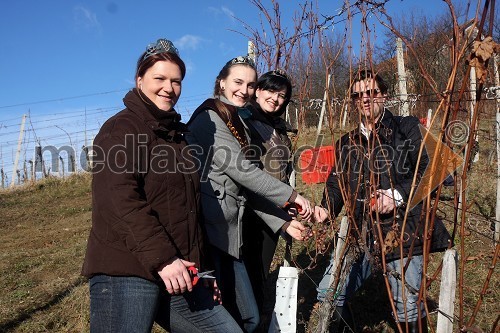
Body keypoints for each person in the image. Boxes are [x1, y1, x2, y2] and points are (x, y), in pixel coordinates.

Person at [81, 38, 242, 333]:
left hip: (177, 270)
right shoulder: (120, 129)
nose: (169, 88)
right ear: (139, 79)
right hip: (127, 270)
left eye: (177, 81)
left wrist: (201, 271)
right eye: (160, 78)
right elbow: (118, 201)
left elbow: (188, 211)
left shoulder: (177, 136)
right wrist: (164, 259)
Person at [313, 68, 452, 333]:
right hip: (361, 232)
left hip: (403, 230)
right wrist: (324, 211)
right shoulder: (346, 143)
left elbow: (437, 169)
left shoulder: (407, 127)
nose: (364, 99)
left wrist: (397, 195)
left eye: (371, 92)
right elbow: (336, 185)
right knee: (330, 291)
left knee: (407, 302)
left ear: (384, 95)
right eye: (358, 95)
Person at [186, 56, 312, 332]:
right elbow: (242, 170)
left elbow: (246, 182)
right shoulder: (210, 116)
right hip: (211, 231)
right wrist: (291, 196)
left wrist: (283, 219)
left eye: (250, 84)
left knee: (248, 317)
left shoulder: (236, 119)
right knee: (228, 316)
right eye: (238, 82)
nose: (244, 89)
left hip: (231, 228)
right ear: (221, 81)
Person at [240, 69, 297, 316]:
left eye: (282, 95)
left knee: (260, 271)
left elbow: (284, 171)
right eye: (270, 90)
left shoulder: (280, 129)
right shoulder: (244, 121)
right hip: (249, 210)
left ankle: (253, 319)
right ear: (258, 90)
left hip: (274, 209)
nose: (275, 98)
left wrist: (290, 199)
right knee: (246, 272)